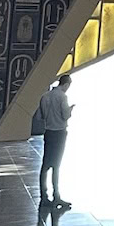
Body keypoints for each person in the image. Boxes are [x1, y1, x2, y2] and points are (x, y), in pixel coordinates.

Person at [36, 72, 74, 211]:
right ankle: (56, 195)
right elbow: (65, 115)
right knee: (56, 165)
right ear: (66, 84)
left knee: (45, 165)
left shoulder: (45, 96)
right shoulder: (62, 97)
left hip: (48, 132)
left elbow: (40, 116)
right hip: (59, 132)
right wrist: (70, 110)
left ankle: (44, 196)